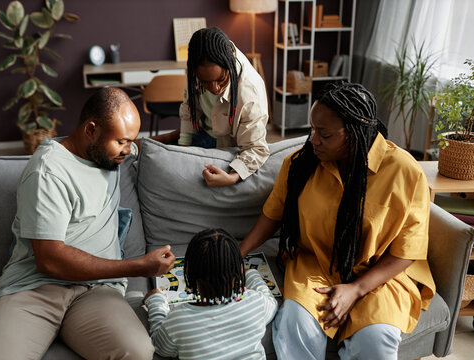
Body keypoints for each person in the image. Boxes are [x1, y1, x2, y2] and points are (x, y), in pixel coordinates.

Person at [0, 88, 176, 360]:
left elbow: (145, 146)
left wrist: (187, 133)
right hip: (34, 290)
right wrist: (139, 267)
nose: (128, 150)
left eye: (131, 142)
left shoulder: (111, 153)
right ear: (91, 130)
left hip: (96, 291)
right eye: (122, 142)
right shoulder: (48, 171)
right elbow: (50, 260)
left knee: (138, 353)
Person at [239, 81, 436, 360]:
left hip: (380, 275)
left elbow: (408, 252)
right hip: (315, 264)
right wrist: (240, 252)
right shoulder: (300, 164)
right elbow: (274, 213)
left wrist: (356, 289)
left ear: (355, 133)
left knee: (376, 342)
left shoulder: (404, 172)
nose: (313, 139)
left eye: (325, 134)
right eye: (312, 129)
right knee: (296, 326)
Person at [144, 228, 278, 359]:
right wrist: (252, 274)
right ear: (239, 269)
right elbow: (272, 303)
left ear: (189, 272)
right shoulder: (255, 303)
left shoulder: (178, 320)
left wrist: (156, 300)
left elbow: (161, 347)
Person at [178, 27, 270, 187]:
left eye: (221, 79)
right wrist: (183, 146)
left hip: (229, 147)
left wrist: (233, 177)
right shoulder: (197, 68)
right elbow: (189, 107)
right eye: (205, 82)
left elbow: (255, 148)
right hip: (201, 133)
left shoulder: (250, 92)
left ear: (232, 60)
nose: (214, 89)